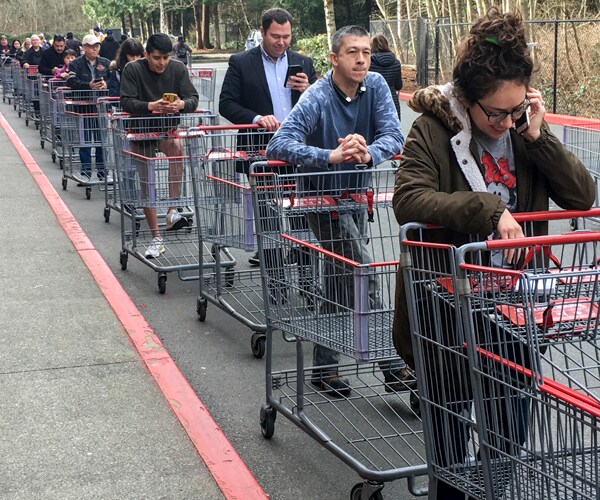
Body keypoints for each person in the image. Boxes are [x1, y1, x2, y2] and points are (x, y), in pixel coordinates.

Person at [391, 8, 595, 499]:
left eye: (516, 109)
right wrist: (487, 209)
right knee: (450, 439)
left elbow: (581, 197)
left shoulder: (523, 132)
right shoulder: (434, 130)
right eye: (495, 113)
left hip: (511, 311)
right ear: (467, 99)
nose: (505, 122)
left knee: (507, 436)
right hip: (446, 309)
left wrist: (538, 135)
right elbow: (408, 199)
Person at [266, 25, 406, 396]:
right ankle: (393, 364)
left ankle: (324, 369)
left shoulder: (375, 86)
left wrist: (367, 151)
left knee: (338, 280)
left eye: (365, 52)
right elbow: (278, 145)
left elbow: (394, 136)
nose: (361, 59)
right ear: (334, 58)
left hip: (358, 197)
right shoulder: (316, 96)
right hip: (322, 201)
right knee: (361, 271)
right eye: (351, 53)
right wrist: (329, 156)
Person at [219, 7, 317, 267]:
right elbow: (226, 103)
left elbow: (322, 104)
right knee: (268, 216)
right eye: (276, 36)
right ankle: (274, 282)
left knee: (301, 214)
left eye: (286, 36)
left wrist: (307, 89)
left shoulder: (303, 63)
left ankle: (306, 278)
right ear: (262, 32)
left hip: (298, 150)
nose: (282, 42)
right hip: (260, 151)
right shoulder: (241, 62)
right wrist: (256, 119)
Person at [120, 33, 199, 259]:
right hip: (141, 130)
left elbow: (193, 98)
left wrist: (182, 105)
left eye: (165, 57)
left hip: (167, 129)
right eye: (156, 58)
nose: (161, 63)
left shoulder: (177, 69)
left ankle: (172, 210)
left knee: (177, 149)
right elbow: (125, 101)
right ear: (146, 55)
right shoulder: (133, 70)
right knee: (147, 181)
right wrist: (150, 105)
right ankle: (156, 236)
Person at [66, 33, 110, 181]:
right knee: (84, 141)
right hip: (83, 108)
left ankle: (102, 172)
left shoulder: (106, 62)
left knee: (101, 141)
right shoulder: (75, 64)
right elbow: (71, 81)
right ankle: (85, 173)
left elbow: (114, 82)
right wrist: (88, 85)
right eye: (91, 46)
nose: (94, 49)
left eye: (96, 46)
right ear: (84, 48)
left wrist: (106, 85)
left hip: (101, 108)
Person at [369, 34, 402, 118]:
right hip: (392, 100)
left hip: (373, 99)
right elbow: (398, 85)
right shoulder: (396, 62)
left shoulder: (369, 63)